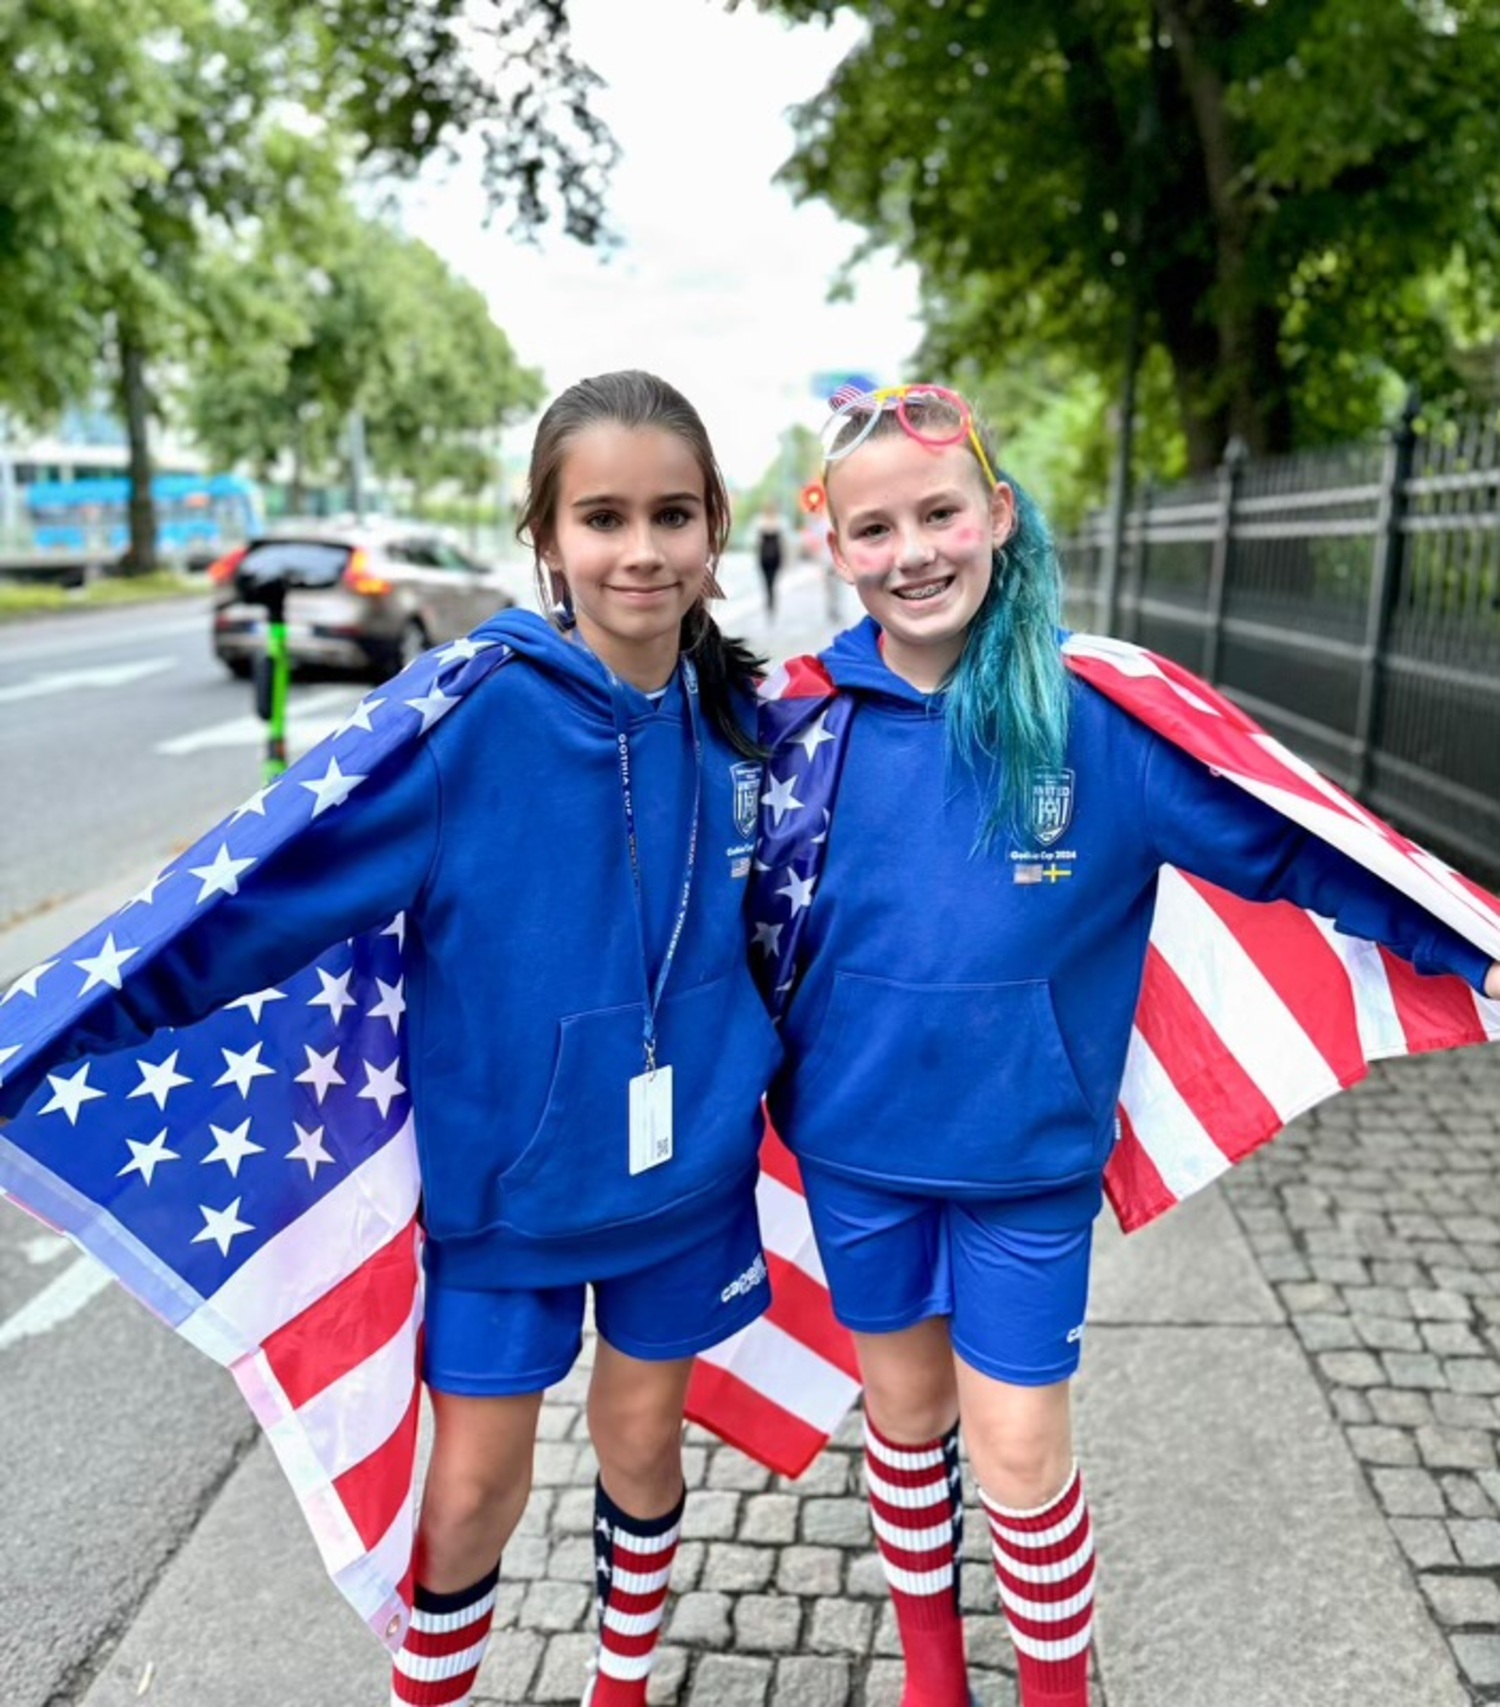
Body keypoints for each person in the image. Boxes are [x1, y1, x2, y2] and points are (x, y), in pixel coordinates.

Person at [0, 371, 782, 1707]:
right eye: (603, 516)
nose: (640, 549)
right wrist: (66, 1026)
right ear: (547, 536)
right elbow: (260, 901)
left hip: (689, 1179)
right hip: (505, 1197)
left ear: (717, 526)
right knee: (474, 1486)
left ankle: (624, 1682)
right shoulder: (466, 721)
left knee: (647, 1445)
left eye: (672, 514)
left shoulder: (745, 723)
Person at [749, 383, 1500, 1707]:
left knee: (1022, 1450)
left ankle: (1053, 1685)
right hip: (856, 1154)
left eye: (939, 512)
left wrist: (1467, 941)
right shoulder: (794, 726)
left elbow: (1282, 844)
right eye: (875, 528)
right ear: (832, 542)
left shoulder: (1092, 716)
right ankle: (933, 1677)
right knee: (907, 1424)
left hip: (1027, 1161)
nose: (912, 550)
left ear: (998, 512)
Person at [754, 498, 785, 617]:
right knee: (769, 582)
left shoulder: (777, 522)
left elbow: (757, 543)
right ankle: (770, 601)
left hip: (769, 557)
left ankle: (770, 601)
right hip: (769, 557)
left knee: (770, 582)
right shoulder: (762, 522)